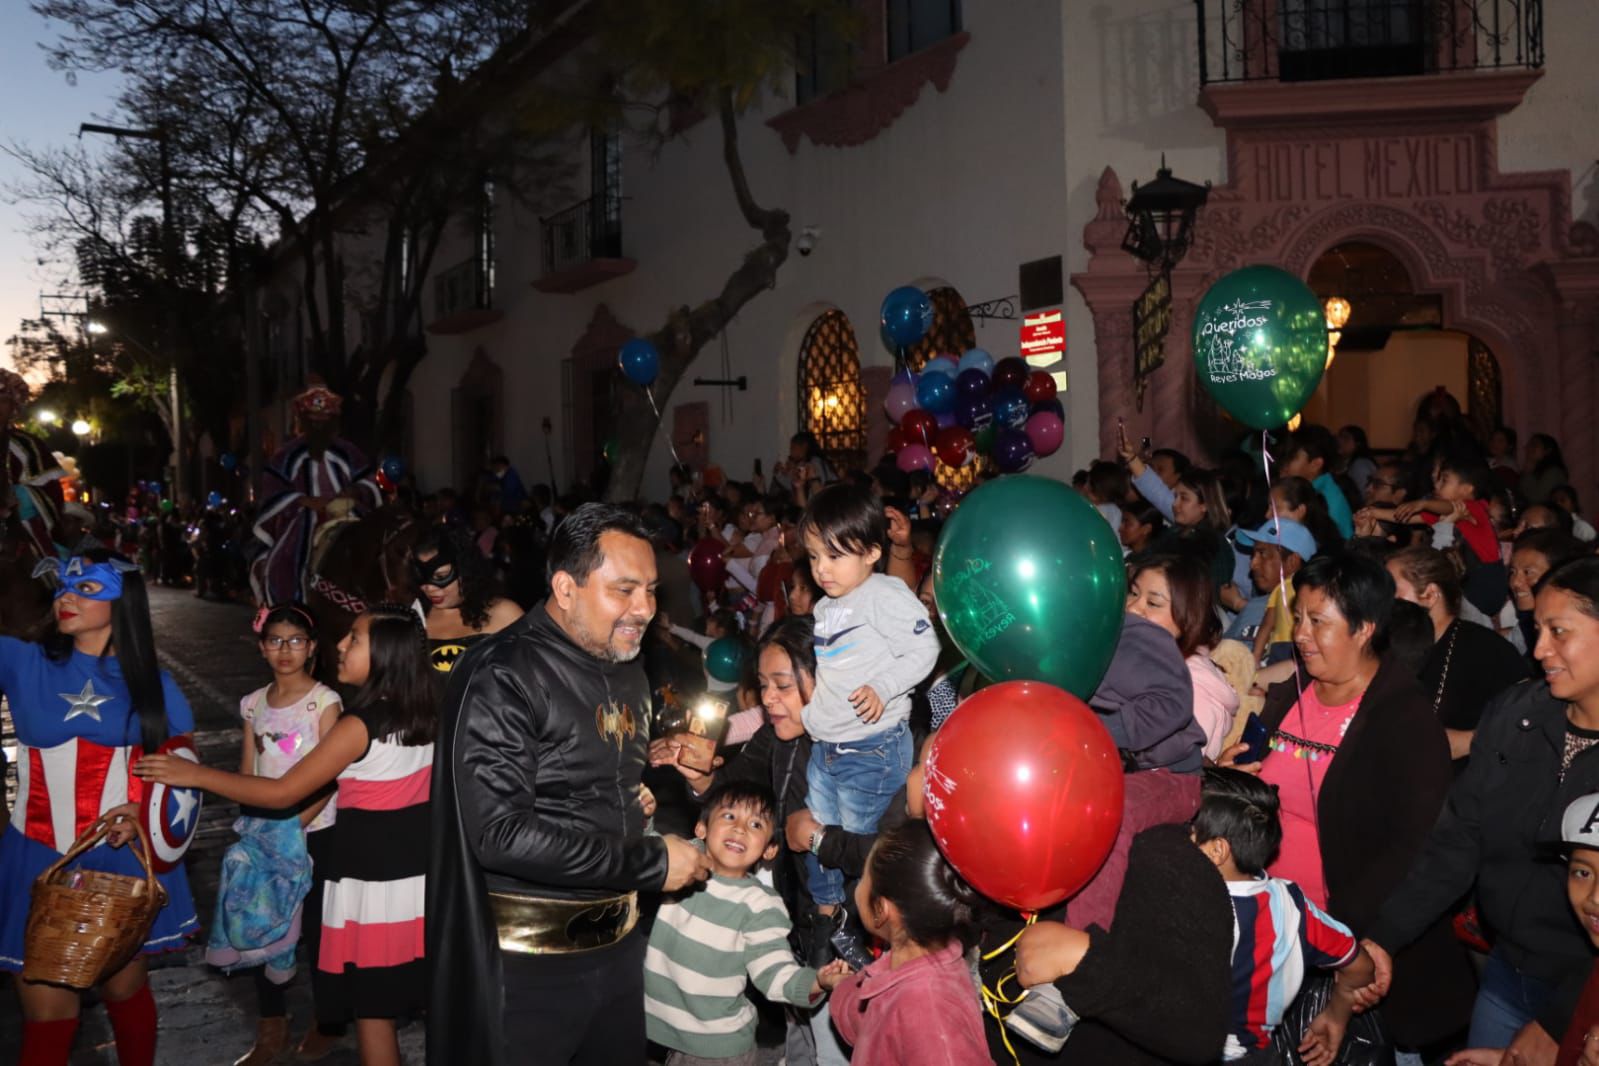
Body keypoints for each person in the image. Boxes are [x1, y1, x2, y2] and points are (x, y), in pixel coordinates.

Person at [427, 503, 712, 1066]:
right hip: (527, 976)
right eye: (624, 590)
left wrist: (659, 775)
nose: (645, 609)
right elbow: (501, 834)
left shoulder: (626, 663)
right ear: (565, 587)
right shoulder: (505, 675)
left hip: (619, 958)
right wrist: (652, 863)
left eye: (652, 590)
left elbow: (589, 775)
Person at [137, 603, 436, 1066]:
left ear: (384, 654)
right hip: (416, 884)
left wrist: (195, 776)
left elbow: (281, 792)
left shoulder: (358, 725)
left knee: (373, 1013)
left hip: (369, 890)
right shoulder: (428, 713)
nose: (340, 644)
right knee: (403, 1003)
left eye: (354, 638)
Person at [1222, 551, 1475, 1055]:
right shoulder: (1293, 695)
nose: (1299, 634)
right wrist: (1231, 780)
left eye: (1319, 622)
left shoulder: (1403, 723)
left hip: (1348, 954)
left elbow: (1410, 856)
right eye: (1300, 617)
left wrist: (1341, 957)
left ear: (1364, 629)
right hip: (1274, 943)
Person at [1365, 558, 1599, 1064]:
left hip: (1586, 989)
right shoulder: (1518, 713)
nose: (1539, 651)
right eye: (1537, 631)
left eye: (1559, 632)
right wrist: (1383, 936)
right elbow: (1457, 840)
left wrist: (1561, 1019)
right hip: (1505, 969)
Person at [4, 551, 201, 1066]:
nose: (67, 596)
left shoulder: (154, 684)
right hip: (36, 859)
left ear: (122, 604)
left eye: (88, 589)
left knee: (124, 992)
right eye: (65, 588)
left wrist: (142, 811)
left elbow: (183, 775)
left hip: (118, 866)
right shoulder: (22, 661)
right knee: (46, 1015)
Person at [796, 483, 940, 956]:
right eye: (815, 557)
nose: (821, 569)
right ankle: (831, 919)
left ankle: (865, 931)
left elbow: (925, 648)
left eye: (834, 557)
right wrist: (812, 716)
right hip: (829, 745)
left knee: (859, 849)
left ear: (873, 551)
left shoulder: (885, 593)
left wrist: (883, 687)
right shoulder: (825, 607)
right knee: (820, 838)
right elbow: (833, 675)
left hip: (872, 747)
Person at [644, 780, 851, 1065]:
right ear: (701, 828)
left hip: (716, 1047)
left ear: (769, 850)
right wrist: (643, 817)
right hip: (663, 1030)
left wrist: (817, 980)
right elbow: (645, 853)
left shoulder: (760, 906)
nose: (740, 828)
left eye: (756, 825)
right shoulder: (682, 865)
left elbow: (775, 970)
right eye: (729, 816)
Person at [225, 603, 342, 1065]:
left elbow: (333, 775)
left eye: (295, 641)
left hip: (316, 832)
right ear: (262, 648)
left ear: (311, 648)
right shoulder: (253, 704)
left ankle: (327, 1019)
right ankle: (270, 1024)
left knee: (316, 929)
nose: (285, 650)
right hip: (265, 836)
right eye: (276, 641)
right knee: (261, 926)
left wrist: (294, 825)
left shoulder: (324, 702)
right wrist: (256, 826)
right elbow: (247, 770)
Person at [1195, 768, 1377, 1063]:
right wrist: (1336, 1012)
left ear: (1217, 850)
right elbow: (1361, 968)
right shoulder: (1289, 902)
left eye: (1185, 831)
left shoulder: (1195, 907)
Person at [826, 821, 990, 1064]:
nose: (859, 887)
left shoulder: (931, 1017)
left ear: (881, 910)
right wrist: (841, 986)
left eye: (863, 879)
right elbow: (872, 1020)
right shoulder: (911, 961)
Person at [1386, 546, 1528, 763]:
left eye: (1392, 592)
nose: (1383, 602)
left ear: (1430, 595)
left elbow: (1528, 723)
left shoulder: (1486, 649)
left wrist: (1469, 741)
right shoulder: (1389, 646)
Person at [251, 385, 383, 605]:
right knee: (285, 560)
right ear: (303, 420)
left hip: (348, 511)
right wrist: (304, 501)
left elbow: (369, 480)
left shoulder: (349, 452)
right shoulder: (286, 454)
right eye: (313, 420)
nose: (318, 425)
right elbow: (273, 488)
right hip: (302, 515)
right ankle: (290, 607)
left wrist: (353, 491)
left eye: (324, 420)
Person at [1125, 552, 1239, 760]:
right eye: (1133, 593)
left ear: (1187, 616)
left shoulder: (1192, 691)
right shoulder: (1131, 658)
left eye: (1153, 603)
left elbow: (1170, 777)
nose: (1132, 608)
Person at [411, 525, 522, 676]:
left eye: (441, 576)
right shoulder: (415, 618)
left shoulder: (505, 614)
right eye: (422, 578)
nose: (429, 588)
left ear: (465, 570)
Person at [0, 367, 67, 558]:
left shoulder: (29, 446)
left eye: (3, 401)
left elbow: (52, 493)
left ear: (14, 406)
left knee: (54, 570)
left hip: (18, 525)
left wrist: (21, 497)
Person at [1235, 517, 1318, 666]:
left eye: (1263, 554)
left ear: (1292, 561)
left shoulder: (1318, 602)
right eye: (1253, 555)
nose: (1253, 564)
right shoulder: (1260, 603)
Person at [1509, 528, 1588, 659]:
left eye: (1528, 572)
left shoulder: (1578, 628)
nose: (1515, 582)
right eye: (1513, 572)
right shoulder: (1527, 623)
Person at [1279, 424, 1355, 540]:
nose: (1284, 464)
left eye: (1291, 458)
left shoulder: (1325, 500)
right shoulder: (1309, 489)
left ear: (1316, 464)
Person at [1522, 432, 1570, 506]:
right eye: (1529, 445)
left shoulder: (1554, 472)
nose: (1529, 448)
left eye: (1534, 445)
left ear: (1547, 450)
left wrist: (1529, 471)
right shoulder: (1534, 471)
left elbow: (1537, 499)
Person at [1338, 424, 1377, 498]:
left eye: (1346, 438)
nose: (1340, 441)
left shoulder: (1360, 465)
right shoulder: (1343, 463)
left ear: (1358, 444)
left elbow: (1365, 494)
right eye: (1339, 437)